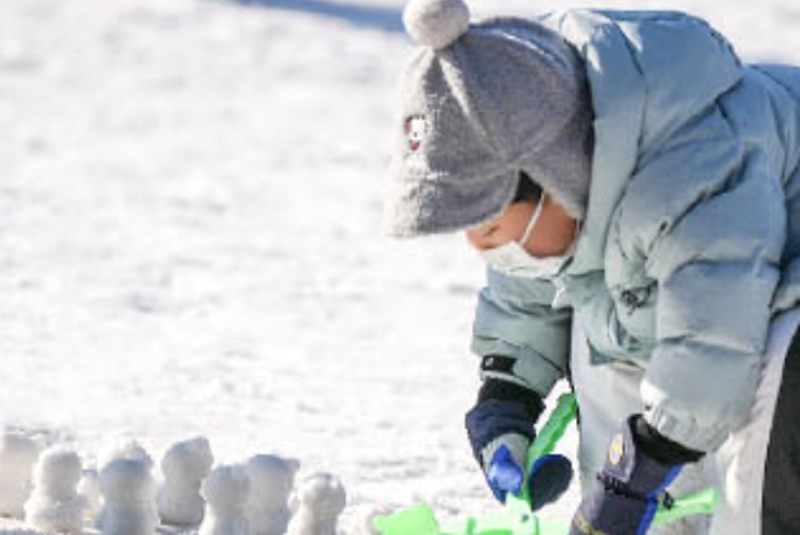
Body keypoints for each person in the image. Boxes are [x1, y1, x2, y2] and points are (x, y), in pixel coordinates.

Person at [383, 0, 800, 534]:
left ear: (557, 178)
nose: (479, 246)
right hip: (728, 292)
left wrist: (639, 469)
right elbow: (531, 284)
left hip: (766, 293)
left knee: (770, 382)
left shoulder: (694, 168)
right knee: (606, 321)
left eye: (489, 225)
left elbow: (712, 334)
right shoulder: (563, 149)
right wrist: (508, 397)